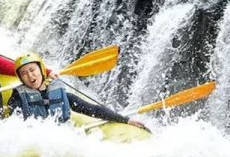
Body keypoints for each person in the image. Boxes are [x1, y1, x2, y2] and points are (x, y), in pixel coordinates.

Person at [9, 53, 146, 128]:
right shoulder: (18, 97)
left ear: (42, 70)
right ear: (21, 78)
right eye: (24, 73)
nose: (30, 76)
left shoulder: (61, 94)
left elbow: (92, 109)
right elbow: (11, 123)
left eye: (33, 70)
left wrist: (125, 120)